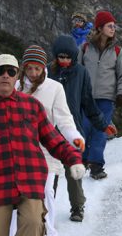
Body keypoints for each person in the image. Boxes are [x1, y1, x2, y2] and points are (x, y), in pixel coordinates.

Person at [0, 54, 84, 236]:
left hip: (30, 181)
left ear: (17, 75)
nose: (5, 75)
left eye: (10, 71)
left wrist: (74, 159)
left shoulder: (32, 106)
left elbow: (53, 140)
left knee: (34, 223)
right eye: (0, 71)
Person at [47, 34, 117, 221]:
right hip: (48, 131)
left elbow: (88, 103)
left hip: (72, 128)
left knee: (74, 169)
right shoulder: (47, 72)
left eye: (68, 57)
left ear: (74, 56)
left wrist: (103, 125)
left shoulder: (81, 73)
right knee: (49, 174)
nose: (64, 61)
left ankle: (77, 207)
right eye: (61, 57)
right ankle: (45, 209)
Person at [78, 10, 122, 179]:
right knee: (84, 127)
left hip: (107, 98)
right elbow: (76, 72)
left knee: (100, 131)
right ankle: (83, 160)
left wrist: (121, 93)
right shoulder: (84, 48)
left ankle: (97, 166)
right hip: (86, 97)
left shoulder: (117, 51)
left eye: (114, 26)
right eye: (110, 25)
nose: (113, 28)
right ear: (100, 27)